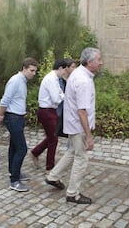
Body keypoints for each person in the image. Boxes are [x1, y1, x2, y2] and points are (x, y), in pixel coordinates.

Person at [44, 47, 102, 204]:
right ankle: (72, 193)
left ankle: (53, 176)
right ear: (89, 62)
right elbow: (82, 111)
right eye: (98, 60)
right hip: (79, 126)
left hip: (72, 124)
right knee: (81, 157)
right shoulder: (83, 81)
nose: (101, 63)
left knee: (72, 152)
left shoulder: (77, 73)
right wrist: (89, 135)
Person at [0, 57, 39, 192]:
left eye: (35, 71)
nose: (34, 73)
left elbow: (17, 99)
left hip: (18, 116)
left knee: (14, 147)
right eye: (32, 70)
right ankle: (14, 181)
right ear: (24, 68)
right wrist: (1, 116)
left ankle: (14, 172)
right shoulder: (15, 80)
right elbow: (5, 100)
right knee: (22, 148)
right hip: (12, 118)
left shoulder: (22, 81)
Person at [30, 59, 67, 173]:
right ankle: (49, 167)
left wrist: (61, 95)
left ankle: (35, 152)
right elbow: (56, 99)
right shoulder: (51, 79)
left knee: (52, 137)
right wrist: (62, 96)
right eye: (64, 70)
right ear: (60, 68)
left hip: (50, 111)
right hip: (47, 111)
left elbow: (59, 95)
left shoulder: (55, 78)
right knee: (53, 139)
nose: (65, 73)